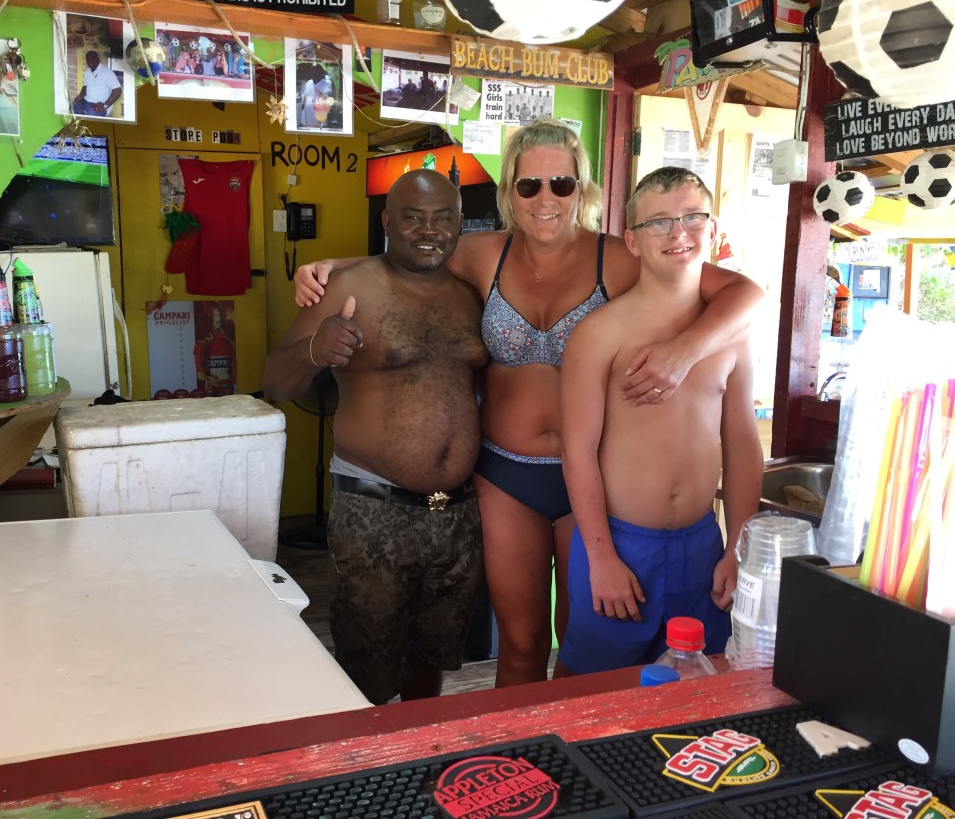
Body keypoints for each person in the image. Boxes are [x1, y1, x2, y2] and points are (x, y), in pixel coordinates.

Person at [293, 119, 762, 688]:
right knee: (521, 643)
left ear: (582, 190)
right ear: (509, 193)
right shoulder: (484, 254)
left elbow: (743, 294)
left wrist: (685, 352)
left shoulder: (620, 256)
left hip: (592, 477)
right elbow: (411, 255)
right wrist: (330, 267)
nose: (545, 199)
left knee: (577, 638)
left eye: (561, 184)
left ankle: (576, 737)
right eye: (529, 185)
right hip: (506, 473)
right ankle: (520, 744)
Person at [263, 170, 487, 705]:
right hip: (374, 509)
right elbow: (274, 383)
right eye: (412, 217)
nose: (428, 230)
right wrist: (315, 350)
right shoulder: (348, 288)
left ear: (460, 224)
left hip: (457, 511)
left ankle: (421, 747)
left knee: (431, 660)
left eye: (443, 217)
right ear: (386, 222)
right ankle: (368, 754)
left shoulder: (473, 294)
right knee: (367, 670)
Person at [555, 167, 763, 676]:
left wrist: (739, 548)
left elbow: (742, 445)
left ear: (713, 228)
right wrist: (601, 558)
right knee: (592, 687)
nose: (678, 233)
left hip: (702, 546)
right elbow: (577, 450)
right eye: (659, 223)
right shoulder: (600, 333)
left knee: (701, 684)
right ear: (632, 240)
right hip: (621, 544)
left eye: (693, 217)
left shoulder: (731, 336)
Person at [72, 50, 122, 117]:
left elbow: (118, 90)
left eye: (93, 58)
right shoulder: (88, 72)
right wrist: (80, 96)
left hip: (100, 104)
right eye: (88, 59)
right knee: (74, 105)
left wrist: (105, 106)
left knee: (91, 112)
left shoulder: (107, 72)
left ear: (98, 59)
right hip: (87, 100)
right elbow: (85, 87)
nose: (90, 61)